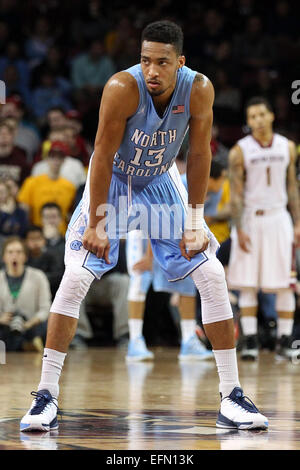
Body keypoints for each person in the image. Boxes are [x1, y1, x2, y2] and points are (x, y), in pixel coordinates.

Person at [20, 20, 268, 433]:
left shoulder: (200, 89)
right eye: (145, 60)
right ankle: (46, 395)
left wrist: (195, 221)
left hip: (158, 183)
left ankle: (232, 395)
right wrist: (97, 222)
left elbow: (201, 155)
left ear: (180, 63)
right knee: (77, 277)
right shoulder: (121, 88)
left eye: (162, 63)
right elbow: (100, 156)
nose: (152, 70)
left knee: (210, 272)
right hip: (113, 183)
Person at [227, 96, 300, 361]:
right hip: (250, 219)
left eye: (261, 115)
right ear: (248, 122)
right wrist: (239, 227)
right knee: (246, 285)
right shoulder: (240, 151)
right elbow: (235, 194)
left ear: (271, 116)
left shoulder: (287, 147)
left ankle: (284, 339)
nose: (257, 120)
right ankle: (249, 341)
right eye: (252, 117)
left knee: (284, 283)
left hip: (279, 218)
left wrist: (298, 222)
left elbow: (292, 186)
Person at [0, 236, 51, 352]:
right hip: (5, 326)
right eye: (10, 252)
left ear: (25, 256)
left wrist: (30, 323)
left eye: (19, 252)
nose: (14, 255)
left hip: (31, 325)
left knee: (47, 324)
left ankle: (25, 343)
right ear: (4, 257)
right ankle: (25, 345)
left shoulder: (38, 276)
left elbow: (45, 308)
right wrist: (1, 319)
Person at [17, 141, 76, 234]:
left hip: (61, 234)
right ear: (47, 159)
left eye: (60, 157)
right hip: (37, 233)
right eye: (53, 156)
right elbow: (24, 210)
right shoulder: (32, 182)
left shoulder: (69, 186)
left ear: (64, 160)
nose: (56, 161)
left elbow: (71, 213)